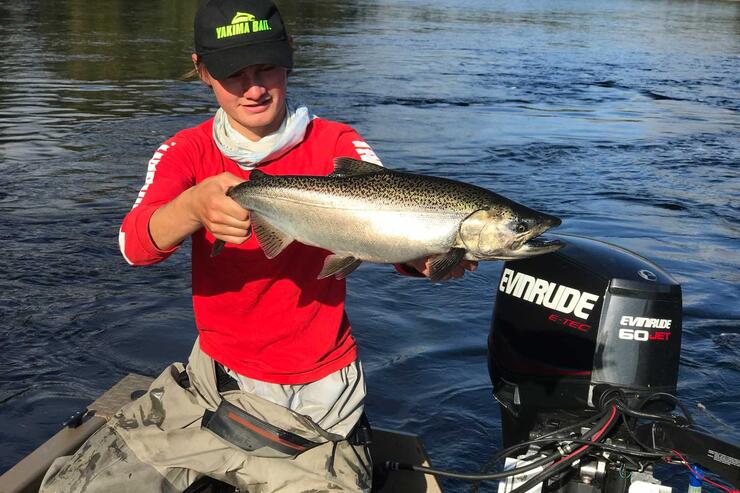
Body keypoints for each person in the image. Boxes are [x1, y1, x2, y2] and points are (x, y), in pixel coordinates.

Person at [40, 0, 476, 491]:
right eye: (233, 73)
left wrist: (434, 257)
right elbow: (134, 246)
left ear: (290, 54)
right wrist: (191, 209)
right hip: (213, 382)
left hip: (320, 392)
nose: (253, 88)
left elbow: (395, 234)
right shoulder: (187, 151)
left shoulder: (338, 145)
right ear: (201, 71)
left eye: (266, 67)